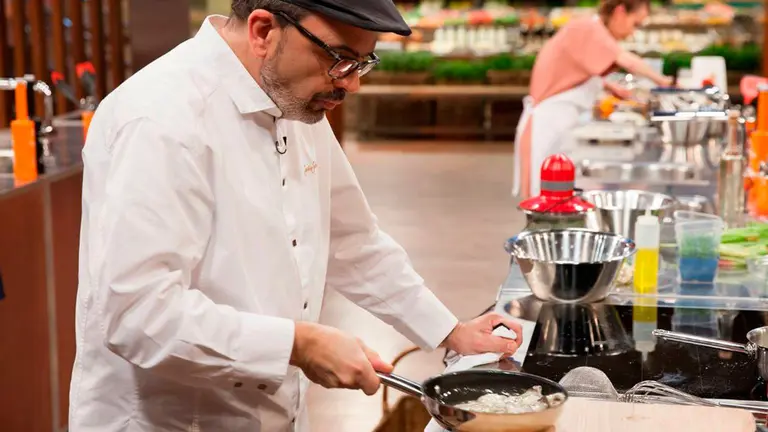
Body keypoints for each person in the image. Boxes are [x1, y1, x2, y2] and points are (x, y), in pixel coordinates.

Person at [68, 0, 524, 431]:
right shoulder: (160, 119)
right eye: (340, 58)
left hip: (272, 410)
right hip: (171, 418)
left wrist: (449, 331)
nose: (351, 84)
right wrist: (297, 344)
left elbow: (353, 242)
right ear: (264, 30)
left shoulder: (292, 101)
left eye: (363, 63)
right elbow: (138, 315)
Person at [512, 0, 674, 200]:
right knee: (548, 200)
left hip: (559, 125)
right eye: (635, 24)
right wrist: (664, 82)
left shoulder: (588, 29)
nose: (632, 32)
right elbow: (625, 59)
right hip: (549, 126)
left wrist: (612, 88)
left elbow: (580, 73)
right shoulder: (588, 27)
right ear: (620, 12)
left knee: (556, 199)